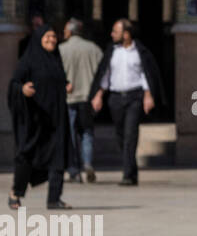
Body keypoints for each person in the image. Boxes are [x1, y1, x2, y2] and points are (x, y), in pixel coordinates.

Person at [89, 18, 166, 186]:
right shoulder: (112, 51)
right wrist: (98, 95)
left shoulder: (140, 52)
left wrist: (148, 95)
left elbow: (146, 74)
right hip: (116, 97)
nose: (111, 34)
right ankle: (132, 170)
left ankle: (127, 175)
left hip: (135, 97)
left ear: (126, 34)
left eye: (115, 31)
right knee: (120, 134)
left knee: (131, 134)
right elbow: (105, 75)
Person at [8, 23, 73, 210]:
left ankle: (54, 199)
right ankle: (16, 193)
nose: (52, 40)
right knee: (26, 156)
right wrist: (22, 89)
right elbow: (14, 84)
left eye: (54, 37)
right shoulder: (28, 61)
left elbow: (57, 80)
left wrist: (66, 85)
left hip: (56, 119)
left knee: (58, 158)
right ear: (39, 39)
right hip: (35, 119)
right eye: (48, 37)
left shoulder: (55, 59)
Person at [59, 18, 104, 184]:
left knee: (69, 134)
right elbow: (104, 72)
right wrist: (99, 94)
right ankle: (87, 163)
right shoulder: (93, 49)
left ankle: (73, 169)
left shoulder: (61, 49)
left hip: (68, 98)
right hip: (87, 98)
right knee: (87, 133)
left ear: (70, 32)